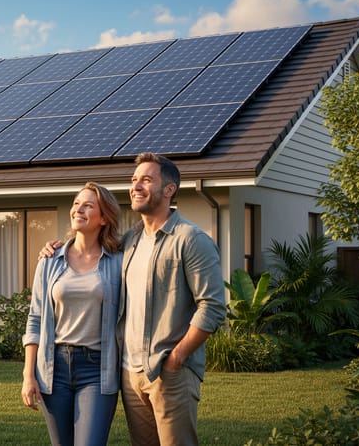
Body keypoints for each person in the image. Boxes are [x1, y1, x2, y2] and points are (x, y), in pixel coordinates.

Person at [41, 153, 226, 445]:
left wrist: (176, 358)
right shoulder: (129, 242)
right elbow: (89, 249)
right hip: (130, 373)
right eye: (134, 180)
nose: (136, 186)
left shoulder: (190, 239)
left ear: (169, 190)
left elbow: (213, 307)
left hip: (169, 372)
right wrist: (60, 246)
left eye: (147, 180)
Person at [21, 181, 123, 446]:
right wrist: (28, 375)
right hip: (54, 370)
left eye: (88, 205)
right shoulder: (50, 260)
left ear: (103, 218)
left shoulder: (118, 262)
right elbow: (35, 319)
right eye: (76, 203)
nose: (79, 209)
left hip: (97, 370)